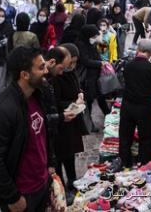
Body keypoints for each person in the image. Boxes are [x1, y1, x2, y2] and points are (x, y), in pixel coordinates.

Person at [0, 46, 60, 212]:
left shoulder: (38, 95)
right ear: (24, 75)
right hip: (22, 194)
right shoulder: (0, 110)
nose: (46, 71)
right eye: (41, 67)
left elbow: (44, 136)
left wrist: (49, 164)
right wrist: (13, 197)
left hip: (42, 185)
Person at [120, 39, 151, 167]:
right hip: (144, 108)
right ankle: (144, 165)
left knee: (125, 137)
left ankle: (125, 164)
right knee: (145, 138)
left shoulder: (128, 65)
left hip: (127, 106)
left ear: (137, 50)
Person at [54, 43, 86, 193]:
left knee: (70, 153)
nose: (72, 65)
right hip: (61, 122)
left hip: (72, 120)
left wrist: (79, 93)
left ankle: (72, 180)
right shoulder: (56, 76)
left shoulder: (71, 72)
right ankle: (60, 187)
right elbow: (55, 102)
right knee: (59, 156)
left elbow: (76, 85)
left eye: (74, 62)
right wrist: (73, 102)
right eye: (70, 62)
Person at [75, 25, 110, 132]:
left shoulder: (91, 43)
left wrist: (101, 62)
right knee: (89, 100)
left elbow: (100, 53)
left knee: (101, 97)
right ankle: (88, 125)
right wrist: (100, 63)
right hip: (87, 78)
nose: (95, 38)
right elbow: (85, 61)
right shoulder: (80, 45)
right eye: (93, 36)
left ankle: (109, 119)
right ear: (88, 35)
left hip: (95, 76)